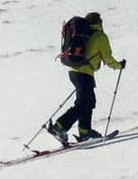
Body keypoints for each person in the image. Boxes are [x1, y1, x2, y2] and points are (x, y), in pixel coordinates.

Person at [47, 11, 126, 143]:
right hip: (84, 73)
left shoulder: (85, 33)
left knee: (88, 101)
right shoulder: (100, 36)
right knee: (83, 103)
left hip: (74, 71)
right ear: (99, 22)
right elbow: (107, 57)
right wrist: (119, 66)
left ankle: (85, 131)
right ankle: (59, 126)